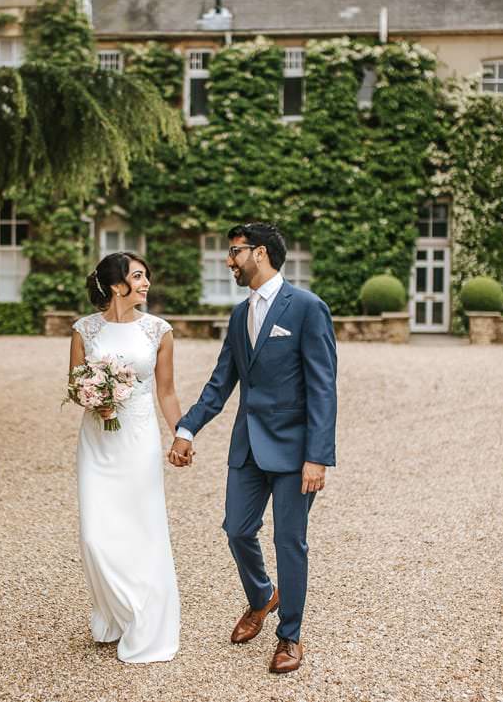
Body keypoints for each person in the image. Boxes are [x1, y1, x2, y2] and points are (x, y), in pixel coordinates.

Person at [169, 222, 337, 674]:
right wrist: (187, 429)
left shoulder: (307, 308)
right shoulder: (238, 315)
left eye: (234, 252)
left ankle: (289, 636)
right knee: (236, 529)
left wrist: (317, 456)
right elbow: (221, 382)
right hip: (247, 447)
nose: (229, 261)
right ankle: (262, 596)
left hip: (294, 451)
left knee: (289, 541)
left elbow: (323, 388)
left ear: (259, 253)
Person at [68, 251, 182, 663]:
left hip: (137, 438)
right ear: (117, 285)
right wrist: (95, 400)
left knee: (143, 527)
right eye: (138, 276)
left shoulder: (158, 331)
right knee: (95, 535)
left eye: (146, 275)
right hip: (97, 441)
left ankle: (147, 623)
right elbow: (76, 384)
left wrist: (181, 434)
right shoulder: (84, 330)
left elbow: (166, 392)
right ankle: (117, 612)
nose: (146, 282)